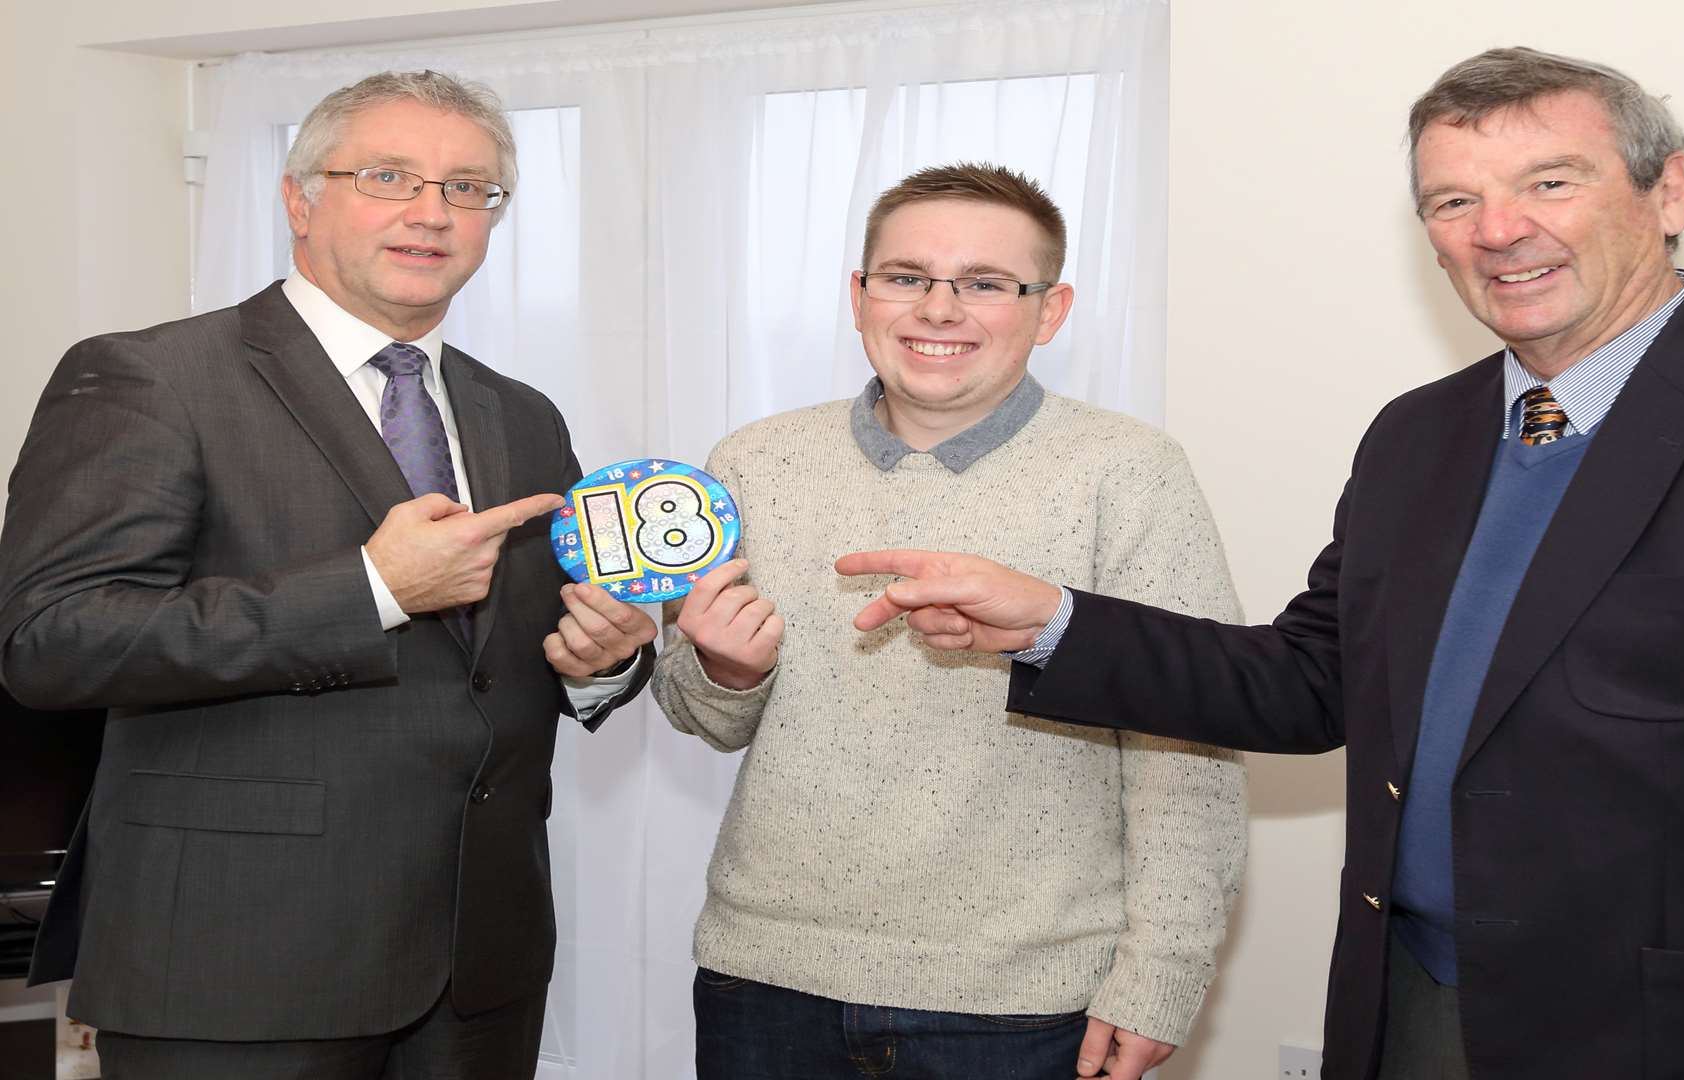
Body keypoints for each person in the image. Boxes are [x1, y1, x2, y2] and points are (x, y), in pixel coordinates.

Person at [837, 48, 1684, 1079]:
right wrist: (1054, 622)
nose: (1499, 230)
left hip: (1682, 1034)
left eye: (1550, 182)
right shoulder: (1419, 434)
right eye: (1453, 203)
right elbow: (1311, 683)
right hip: (1410, 1001)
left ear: (1668, 192)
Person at [0, 70, 656, 1079]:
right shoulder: (150, 378)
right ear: (300, 198)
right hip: (234, 967)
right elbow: (53, 641)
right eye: (390, 175)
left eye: (468, 188)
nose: (432, 213)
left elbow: (505, 664)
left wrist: (599, 661)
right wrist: (372, 589)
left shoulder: (522, 415)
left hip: (478, 968)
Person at [650, 163, 1247, 1080]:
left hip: (1024, 1007)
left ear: (1050, 311)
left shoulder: (1128, 472)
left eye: (985, 284)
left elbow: (1190, 742)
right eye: (906, 277)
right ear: (859, 296)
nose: (940, 308)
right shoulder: (752, 461)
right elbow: (712, 720)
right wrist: (725, 672)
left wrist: (1160, 976)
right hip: (763, 982)